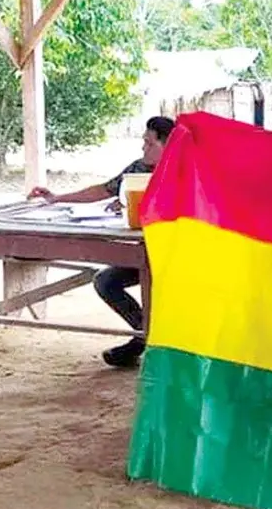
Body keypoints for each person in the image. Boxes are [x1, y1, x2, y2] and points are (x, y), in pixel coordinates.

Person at [26, 116, 176, 368]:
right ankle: (146, 335)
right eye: (144, 142)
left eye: (149, 144)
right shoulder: (138, 170)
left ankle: (160, 344)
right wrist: (57, 198)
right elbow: (104, 190)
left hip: (177, 256)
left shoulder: (187, 172)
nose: (143, 148)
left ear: (168, 145)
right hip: (145, 252)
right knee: (106, 281)